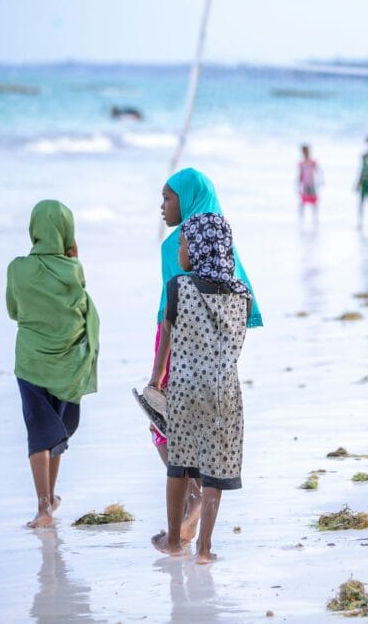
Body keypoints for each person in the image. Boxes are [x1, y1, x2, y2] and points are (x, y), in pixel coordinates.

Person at [153, 168, 262, 543]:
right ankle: (202, 541)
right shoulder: (222, 241)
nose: (163, 206)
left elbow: (169, 319)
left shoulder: (176, 245)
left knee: (164, 430)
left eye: (168, 198)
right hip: (220, 372)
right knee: (215, 455)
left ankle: (189, 505)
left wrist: (157, 375)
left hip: (179, 352)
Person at [6, 200, 100, 528]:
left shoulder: (16, 268)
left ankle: (44, 505)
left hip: (31, 360)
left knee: (37, 429)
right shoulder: (74, 269)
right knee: (56, 432)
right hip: (68, 364)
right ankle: (49, 498)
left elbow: (13, 311)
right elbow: (81, 306)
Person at [298, 145, 322, 223]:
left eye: (306, 151)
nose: (305, 153)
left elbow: (319, 172)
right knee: (303, 201)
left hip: (312, 184)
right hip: (305, 184)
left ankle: (315, 218)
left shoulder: (312, 162)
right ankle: (301, 219)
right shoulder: (301, 163)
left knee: (314, 201)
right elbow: (300, 174)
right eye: (304, 152)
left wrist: (319, 182)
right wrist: (298, 184)